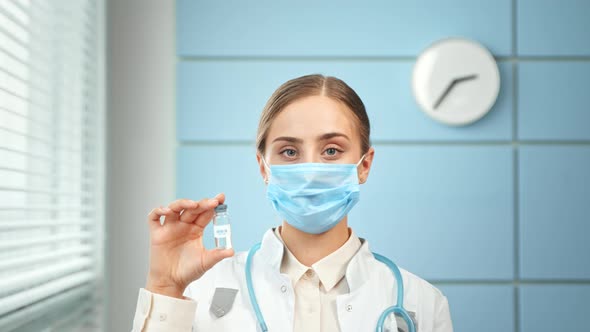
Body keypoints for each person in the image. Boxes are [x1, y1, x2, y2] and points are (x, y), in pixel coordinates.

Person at [132, 74, 453, 332]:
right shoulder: (200, 291)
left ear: (364, 165)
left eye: (331, 151)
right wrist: (165, 286)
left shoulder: (420, 302)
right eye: (289, 152)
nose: (310, 173)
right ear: (263, 168)